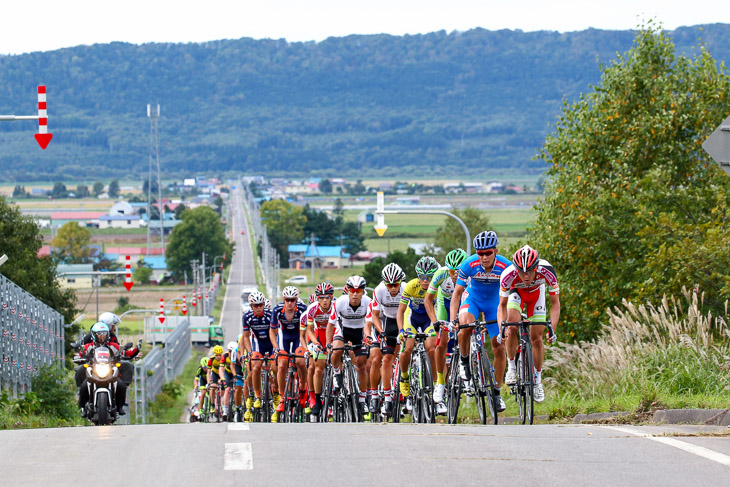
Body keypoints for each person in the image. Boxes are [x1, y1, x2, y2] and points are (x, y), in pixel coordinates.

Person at [450, 231, 511, 412]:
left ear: (495, 251)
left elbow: (511, 297)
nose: (484, 257)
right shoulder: (468, 264)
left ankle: (497, 392)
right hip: (473, 300)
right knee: (465, 327)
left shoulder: (506, 266)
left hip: (495, 304)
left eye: (488, 253)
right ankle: (464, 360)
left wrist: (507, 321)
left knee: (499, 345)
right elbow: (457, 294)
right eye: (480, 253)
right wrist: (454, 319)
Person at [499, 245, 560, 403]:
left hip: (536, 295)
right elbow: (502, 306)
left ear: (536, 267)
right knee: (512, 327)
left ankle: (537, 380)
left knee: (537, 338)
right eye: (521, 271)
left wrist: (552, 328)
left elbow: (555, 304)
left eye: (530, 271)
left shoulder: (547, 271)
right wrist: (502, 328)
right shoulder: (508, 275)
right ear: (515, 269)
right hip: (516, 293)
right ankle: (511, 367)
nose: (525, 276)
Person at [424, 248, 468, 415]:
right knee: (441, 343)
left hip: (464, 303)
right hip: (444, 304)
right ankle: (440, 382)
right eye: (451, 271)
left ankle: (469, 368)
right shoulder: (441, 274)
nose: (454, 275)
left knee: (471, 332)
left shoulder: (470, 274)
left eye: (457, 271)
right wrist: (435, 321)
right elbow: (428, 300)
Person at [396, 256, 439, 407]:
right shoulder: (411, 286)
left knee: (432, 349)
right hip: (412, 319)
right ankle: (405, 376)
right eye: (422, 277)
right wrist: (401, 330)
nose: (426, 281)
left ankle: (436, 386)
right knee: (407, 348)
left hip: (429, 320)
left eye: (429, 277)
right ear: (417, 276)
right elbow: (400, 311)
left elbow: (440, 308)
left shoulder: (437, 286)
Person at [328, 275, 371, 415]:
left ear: (363, 292)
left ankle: (362, 401)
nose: (355, 294)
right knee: (336, 351)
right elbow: (331, 325)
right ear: (347, 290)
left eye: (358, 291)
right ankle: (337, 373)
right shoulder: (340, 302)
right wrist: (328, 344)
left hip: (360, 332)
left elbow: (370, 323)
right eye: (352, 290)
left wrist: (369, 338)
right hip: (343, 331)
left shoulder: (368, 302)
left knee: (362, 365)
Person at [369, 263, 405, 417]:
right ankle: (385, 397)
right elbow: (375, 316)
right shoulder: (379, 290)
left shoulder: (405, 289)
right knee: (386, 359)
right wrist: (382, 332)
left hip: (402, 320)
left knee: (404, 355)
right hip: (387, 323)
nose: (392, 288)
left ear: (400, 282)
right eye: (389, 284)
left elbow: (409, 312)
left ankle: (405, 392)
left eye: (395, 284)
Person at [271, 286, 308, 418]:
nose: (290, 303)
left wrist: (306, 347)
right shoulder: (276, 310)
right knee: (281, 365)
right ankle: (282, 397)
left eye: (292, 300)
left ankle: (303, 387)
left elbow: (307, 330)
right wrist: (275, 347)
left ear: (297, 300)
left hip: (299, 337)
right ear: (284, 300)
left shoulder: (303, 310)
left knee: (300, 361)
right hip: (284, 338)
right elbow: (272, 331)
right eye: (287, 300)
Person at [241, 291, 278, 420]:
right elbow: (245, 337)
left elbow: (277, 333)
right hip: (258, 345)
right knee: (255, 367)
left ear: (263, 304)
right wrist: (249, 352)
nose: (258, 307)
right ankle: (256, 396)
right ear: (251, 306)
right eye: (255, 305)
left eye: (260, 305)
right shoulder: (247, 317)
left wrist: (277, 349)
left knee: (275, 368)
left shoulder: (270, 315)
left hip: (271, 344)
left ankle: (277, 393)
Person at [77, 322, 127, 417]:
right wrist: (79, 357)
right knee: (83, 386)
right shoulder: (89, 346)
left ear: (107, 334)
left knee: (121, 385)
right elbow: (80, 354)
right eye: (99, 334)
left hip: (108, 370)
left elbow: (123, 352)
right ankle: (83, 407)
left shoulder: (112, 345)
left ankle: (120, 407)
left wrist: (125, 354)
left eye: (104, 333)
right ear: (94, 335)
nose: (102, 336)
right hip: (94, 370)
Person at [304, 282, 335, 416]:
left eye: (327, 297)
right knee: (318, 368)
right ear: (317, 298)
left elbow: (340, 326)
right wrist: (316, 343)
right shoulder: (312, 309)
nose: (324, 300)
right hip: (320, 336)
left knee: (339, 360)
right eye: (321, 297)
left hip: (334, 334)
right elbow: (309, 330)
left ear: (331, 297)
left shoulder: (336, 307)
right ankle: (317, 400)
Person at [206, 345, 228, 418]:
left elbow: (224, 370)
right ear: (214, 354)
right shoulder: (211, 360)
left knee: (224, 391)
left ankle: (223, 404)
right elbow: (208, 372)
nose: (218, 356)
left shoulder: (223, 358)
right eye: (217, 355)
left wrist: (221, 379)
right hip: (215, 374)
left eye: (220, 355)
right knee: (212, 388)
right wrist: (209, 383)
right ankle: (212, 404)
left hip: (222, 373)